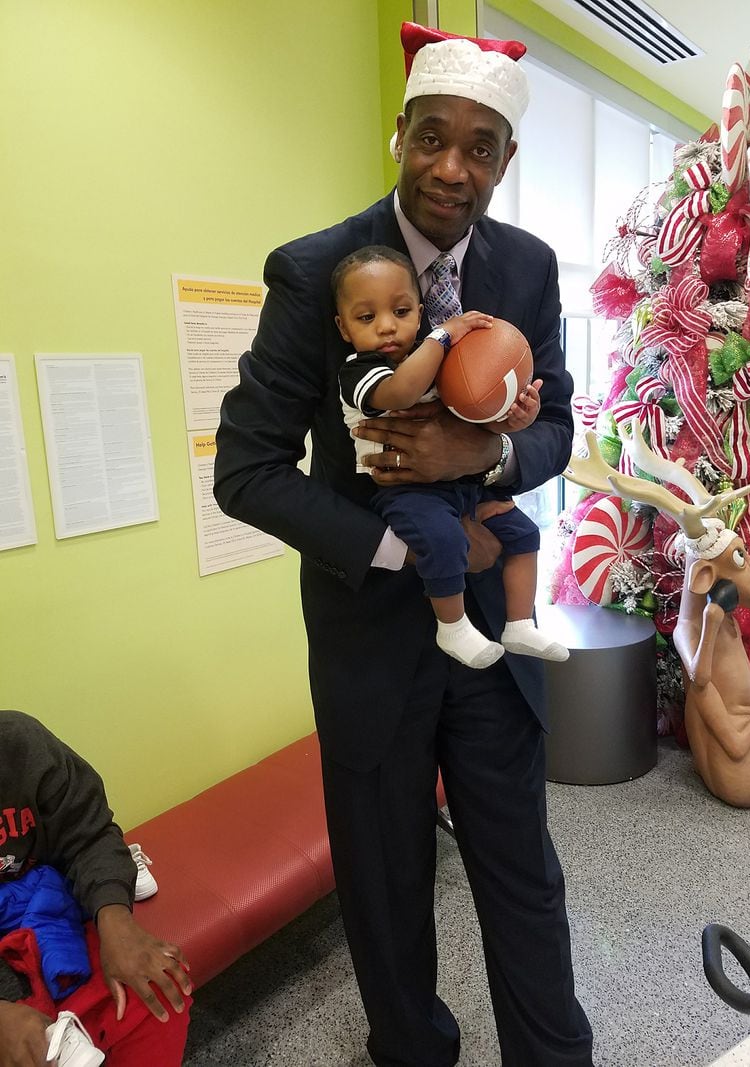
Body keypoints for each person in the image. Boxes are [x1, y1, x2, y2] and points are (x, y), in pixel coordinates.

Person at [215, 20, 593, 1067]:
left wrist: (474, 470)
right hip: (371, 641)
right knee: (383, 890)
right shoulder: (314, 271)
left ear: (505, 161)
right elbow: (243, 470)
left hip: (489, 636)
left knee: (522, 867)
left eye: (479, 147)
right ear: (399, 133)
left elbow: (556, 421)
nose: (451, 167)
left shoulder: (522, 266)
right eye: (432, 138)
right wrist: (406, 551)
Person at [335, 244, 569, 668]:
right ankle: (453, 627)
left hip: (461, 485)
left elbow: (470, 421)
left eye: (401, 312)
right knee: (442, 542)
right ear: (344, 327)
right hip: (405, 491)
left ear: (419, 310)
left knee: (523, 533)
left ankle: (519, 625)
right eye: (367, 318)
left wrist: (513, 419)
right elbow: (402, 391)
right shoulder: (360, 369)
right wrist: (443, 336)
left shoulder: (428, 361)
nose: (387, 327)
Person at [0, 710, 192, 1067]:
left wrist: (115, 921)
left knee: (153, 990)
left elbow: (88, 834)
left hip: (43, 910)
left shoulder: (18, 742)